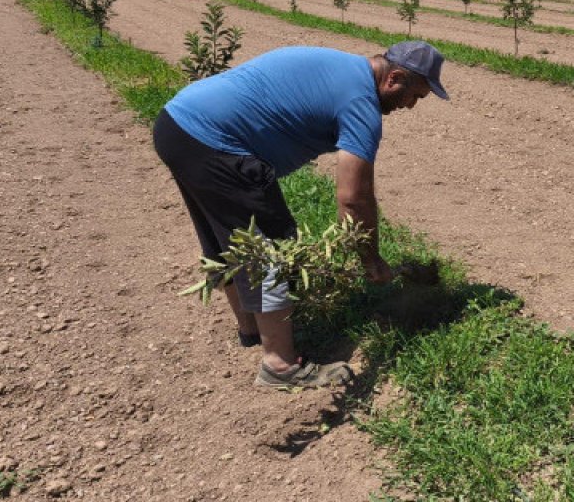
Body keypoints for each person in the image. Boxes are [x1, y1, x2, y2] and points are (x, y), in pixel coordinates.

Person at [153, 41, 447, 389]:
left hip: (178, 126)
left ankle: (251, 331)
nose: (410, 106)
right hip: (214, 139)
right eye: (414, 95)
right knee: (268, 246)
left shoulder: (343, 67)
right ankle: (279, 365)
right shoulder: (361, 104)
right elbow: (354, 198)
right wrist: (369, 258)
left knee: (230, 241)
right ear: (394, 78)